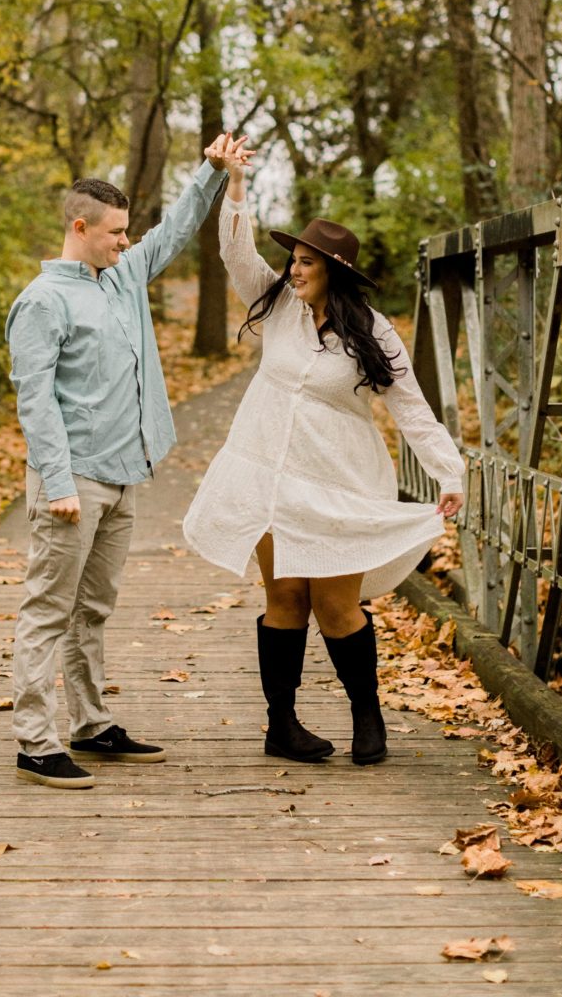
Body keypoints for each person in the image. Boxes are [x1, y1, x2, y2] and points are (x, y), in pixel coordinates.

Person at [183, 135, 465, 767]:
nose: (297, 269)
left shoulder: (373, 331)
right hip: (269, 477)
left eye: (309, 262)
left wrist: (450, 472)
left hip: (338, 482)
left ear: (334, 270)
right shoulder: (278, 304)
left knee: (338, 606)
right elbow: (236, 250)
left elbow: (412, 408)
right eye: (296, 258)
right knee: (283, 599)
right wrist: (234, 185)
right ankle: (281, 725)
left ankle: (369, 719)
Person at [7, 136, 248, 789]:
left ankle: (90, 722)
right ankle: (34, 739)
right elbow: (35, 404)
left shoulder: (122, 276)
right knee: (48, 609)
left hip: (124, 472)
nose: (124, 241)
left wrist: (210, 171)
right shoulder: (42, 301)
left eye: (126, 232)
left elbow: (172, 232)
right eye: (114, 232)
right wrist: (57, 483)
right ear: (79, 227)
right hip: (72, 480)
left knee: (93, 609)